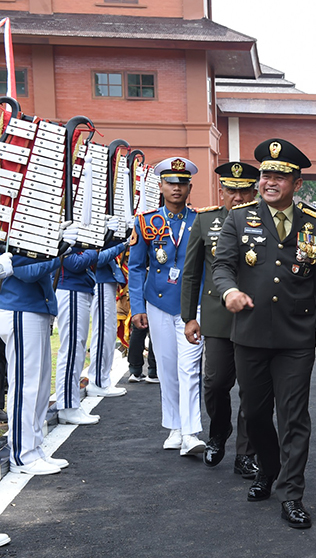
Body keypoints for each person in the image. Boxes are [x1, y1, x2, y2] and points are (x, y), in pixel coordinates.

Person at [213, 138, 316, 529]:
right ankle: (268, 468)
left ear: (297, 183)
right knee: (254, 413)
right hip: (249, 335)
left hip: (295, 337)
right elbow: (222, 267)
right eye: (266, 174)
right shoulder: (238, 219)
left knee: (294, 416)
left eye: (280, 176)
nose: (270, 181)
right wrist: (230, 291)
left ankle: (291, 493)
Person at [181, 161, 260, 478]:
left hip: (256, 316)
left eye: (244, 191)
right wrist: (189, 317)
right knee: (214, 384)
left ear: (253, 191)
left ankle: (246, 452)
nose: (238, 197)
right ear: (221, 191)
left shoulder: (263, 222)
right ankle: (218, 433)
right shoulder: (205, 220)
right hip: (216, 317)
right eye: (232, 191)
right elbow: (191, 273)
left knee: (252, 390)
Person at [128, 157, 205, 457]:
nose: (176, 188)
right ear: (160, 186)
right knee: (167, 368)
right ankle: (174, 426)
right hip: (157, 302)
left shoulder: (200, 220)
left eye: (182, 183)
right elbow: (136, 268)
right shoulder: (145, 222)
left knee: (189, 368)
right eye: (171, 182)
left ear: (189, 187)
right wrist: (137, 307)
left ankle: (191, 432)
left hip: (191, 305)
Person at [1, 225, 80, 475]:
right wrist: (60, 250)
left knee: (40, 386)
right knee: (27, 386)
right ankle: (22, 455)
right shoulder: (16, 224)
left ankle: (33, 448)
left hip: (34, 306)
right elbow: (27, 271)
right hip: (20, 306)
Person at [54, 245, 102, 425]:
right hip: (70, 289)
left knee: (77, 349)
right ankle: (67, 406)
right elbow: (74, 263)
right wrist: (94, 250)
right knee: (72, 349)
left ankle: (70, 403)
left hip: (78, 288)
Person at [85, 230, 129, 398]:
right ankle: (98, 380)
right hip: (100, 280)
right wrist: (123, 244)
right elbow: (98, 258)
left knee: (108, 333)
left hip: (107, 280)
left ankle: (103, 378)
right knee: (103, 332)